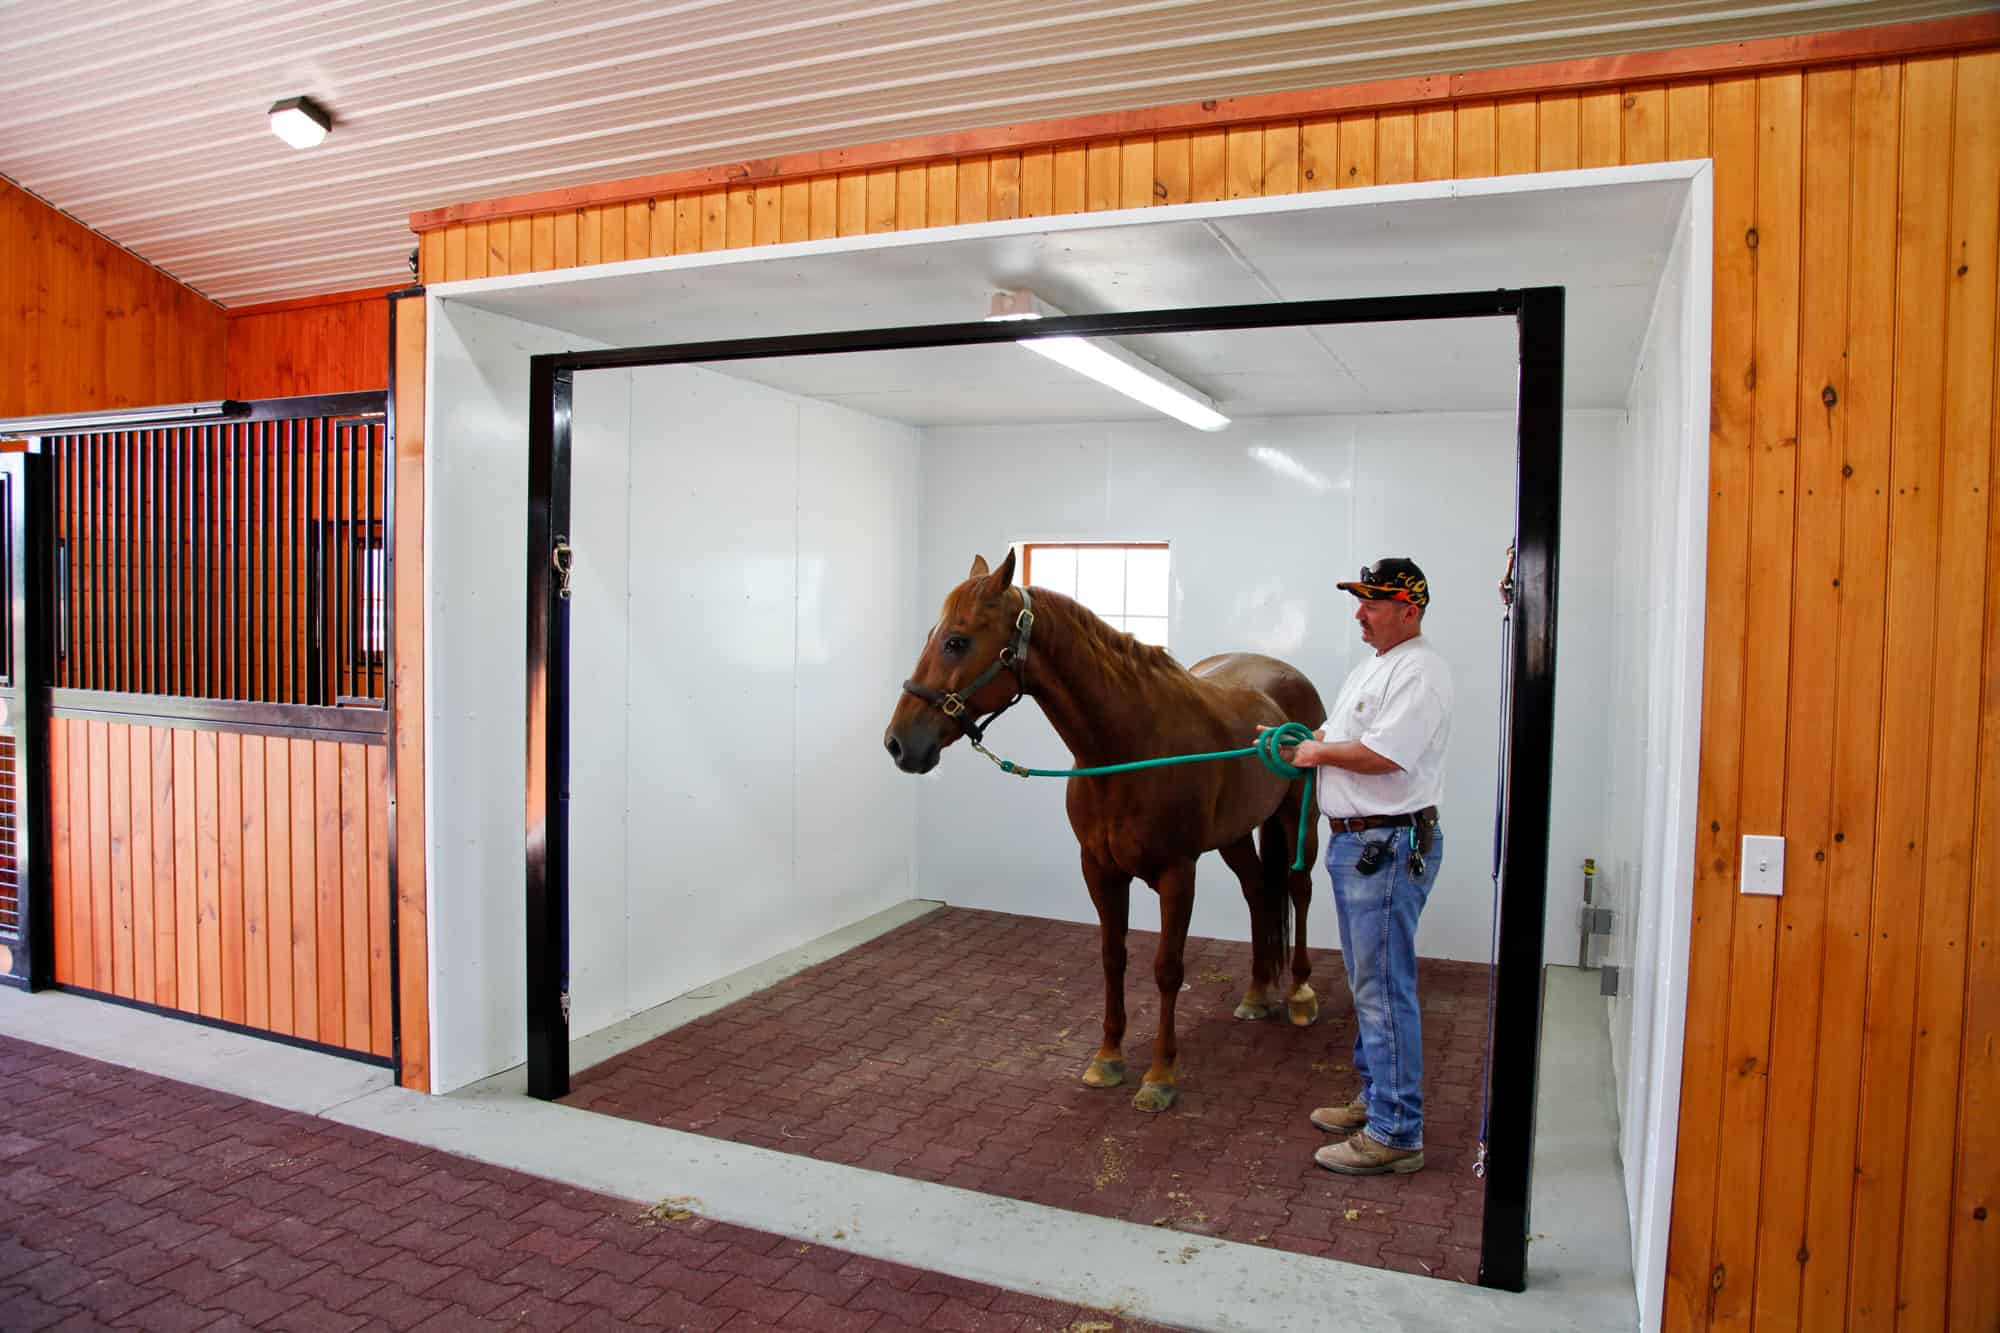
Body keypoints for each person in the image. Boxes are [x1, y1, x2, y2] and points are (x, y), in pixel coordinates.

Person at [1270, 557, 1453, 1176]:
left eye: (1371, 604)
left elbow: (1384, 754)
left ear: (1410, 610)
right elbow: (1342, 732)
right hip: (1362, 847)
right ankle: (1378, 1098)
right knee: (1368, 984)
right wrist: (1298, 740)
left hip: (1385, 849)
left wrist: (1316, 750)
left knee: (1382, 988)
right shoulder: (1376, 667)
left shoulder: (1420, 673)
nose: (1359, 614)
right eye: (1360, 601)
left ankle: (1397, 1131)